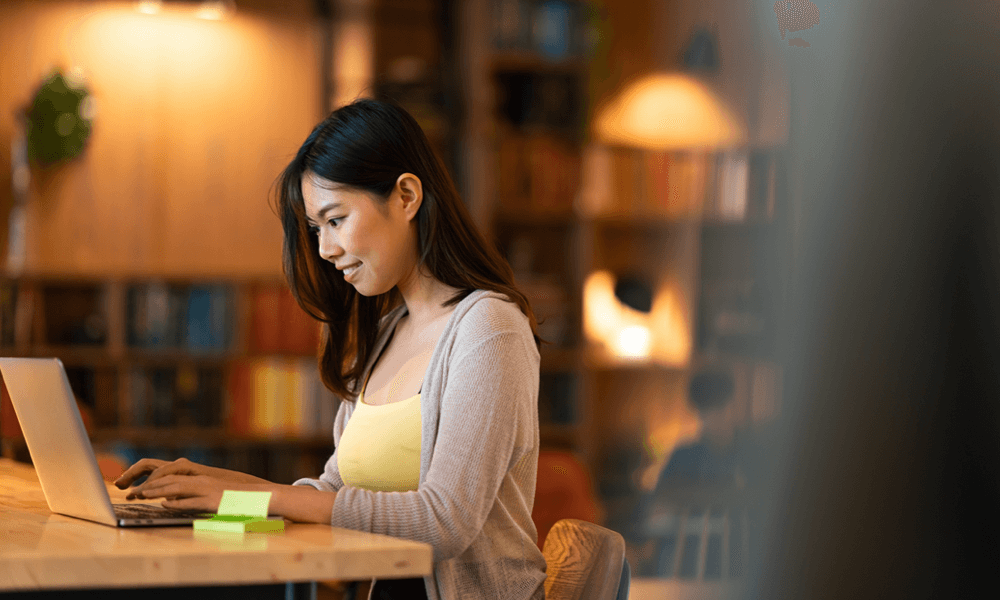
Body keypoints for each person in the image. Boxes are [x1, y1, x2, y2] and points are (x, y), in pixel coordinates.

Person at [114, 99, 547, 600]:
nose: (324, 249)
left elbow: (444, 521)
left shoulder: (490, 329)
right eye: (317, 229)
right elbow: (331, 495)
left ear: (406, 196)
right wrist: (218, 499)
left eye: (336, 219)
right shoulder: (388, 332)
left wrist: (268, 497)